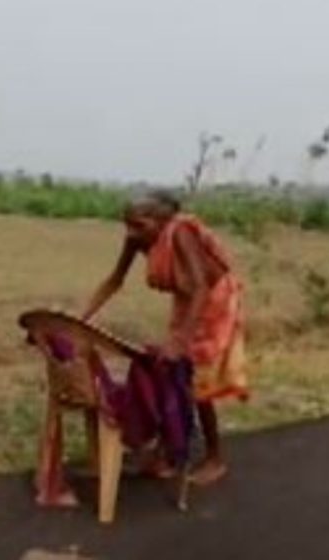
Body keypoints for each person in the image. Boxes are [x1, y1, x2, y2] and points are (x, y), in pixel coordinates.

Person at [83, 190, 249, 485]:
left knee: (197, 378)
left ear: (161, 222)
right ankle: (169, 451)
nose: (132, 232)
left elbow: (199, 286)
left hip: (213, 300)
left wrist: (181, 341)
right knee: (167, 371)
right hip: (187, 300)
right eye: (128, 225)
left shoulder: (180, 232)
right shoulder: (136, 238)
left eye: (139, 225)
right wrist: (81, 319)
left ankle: (214, 457)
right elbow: (114, 280)